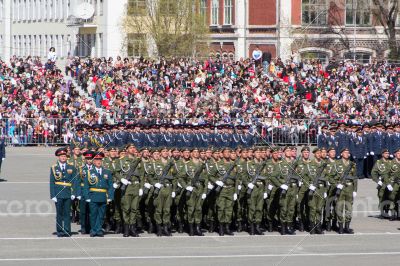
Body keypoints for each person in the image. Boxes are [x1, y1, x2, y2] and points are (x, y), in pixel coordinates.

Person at [83, 152, 114, 237]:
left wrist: (110, 196)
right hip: (93, 195)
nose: (98, 161)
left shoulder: (107, 172)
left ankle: (99, 229)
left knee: (101, 214)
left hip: (103, 196)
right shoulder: (89, 172)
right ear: (93, 161)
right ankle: (93, 230)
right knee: (93, 214)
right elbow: (86, 186)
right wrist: (87, 196)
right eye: (96, 160)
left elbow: (111, 185)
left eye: (100, 160)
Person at [49, 148, 78, 237]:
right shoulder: (54, 168)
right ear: (58, 157)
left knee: (67, 213)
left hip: (68, 192)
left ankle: (67, 230)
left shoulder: (71, 167)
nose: (63, 157)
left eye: (64, 156)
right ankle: (59, 230)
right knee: (59, 213)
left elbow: (75, 181)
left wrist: (74, 193)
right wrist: (53, 195)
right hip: (58, 193)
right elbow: (52, 182)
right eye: (61, 156)